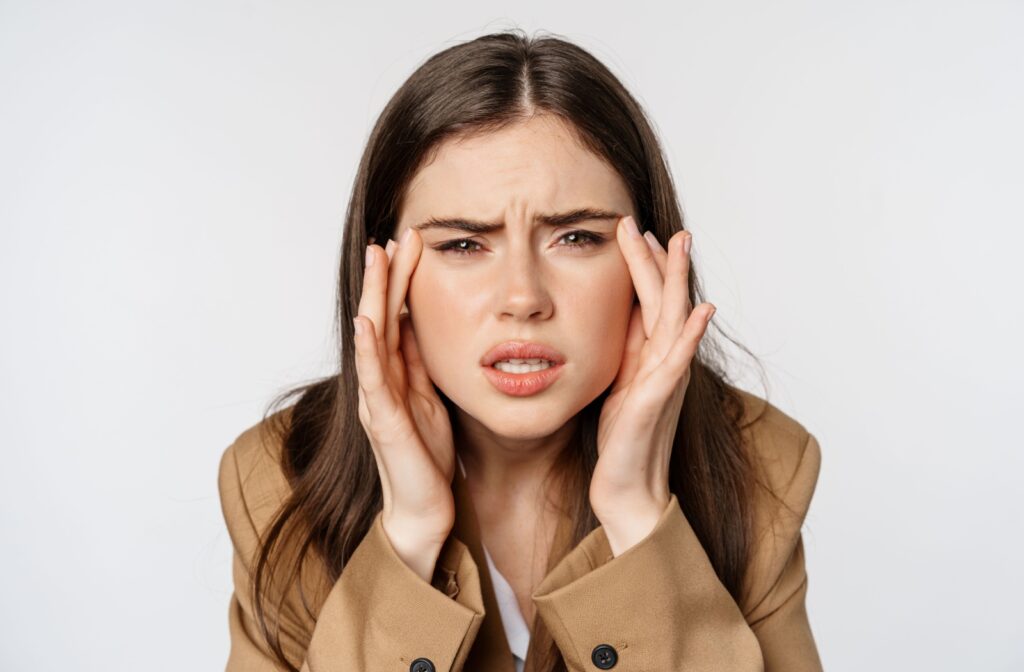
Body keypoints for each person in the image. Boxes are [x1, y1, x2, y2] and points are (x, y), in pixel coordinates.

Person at [217, 29, 824, 672]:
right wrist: (407, 536)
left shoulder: (762, 470)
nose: (523, 298)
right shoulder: (278, 482)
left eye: (576, 238)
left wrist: (640, 519)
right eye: (463, 245)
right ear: (388, 281)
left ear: (648, 266)